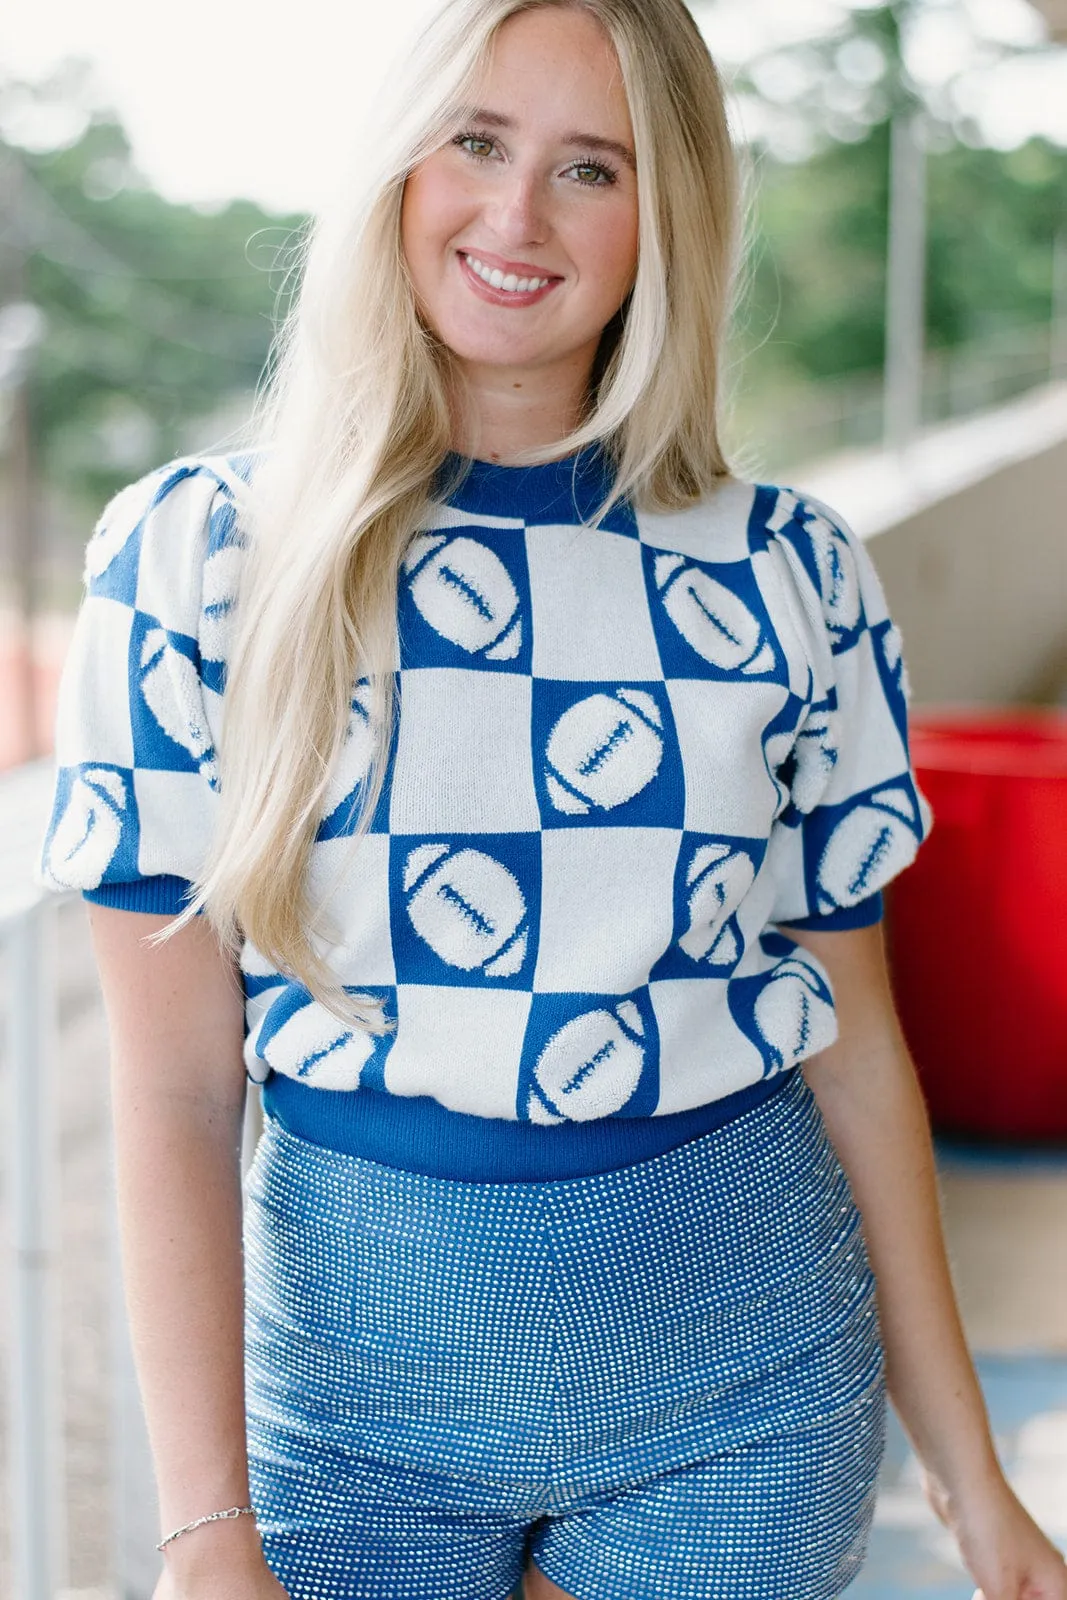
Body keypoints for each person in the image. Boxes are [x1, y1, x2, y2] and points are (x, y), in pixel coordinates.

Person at [38, 2, 1067, 1597]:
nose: (515, 217)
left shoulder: (787, 573)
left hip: (742, 1399)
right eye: (475, 143)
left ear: (666, 215)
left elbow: (856, 1048)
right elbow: (174, 1088)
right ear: (396, 166)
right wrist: (204, 1531)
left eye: (591, 167)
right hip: (347, 1429)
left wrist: (970, 1479)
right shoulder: (201, 563)